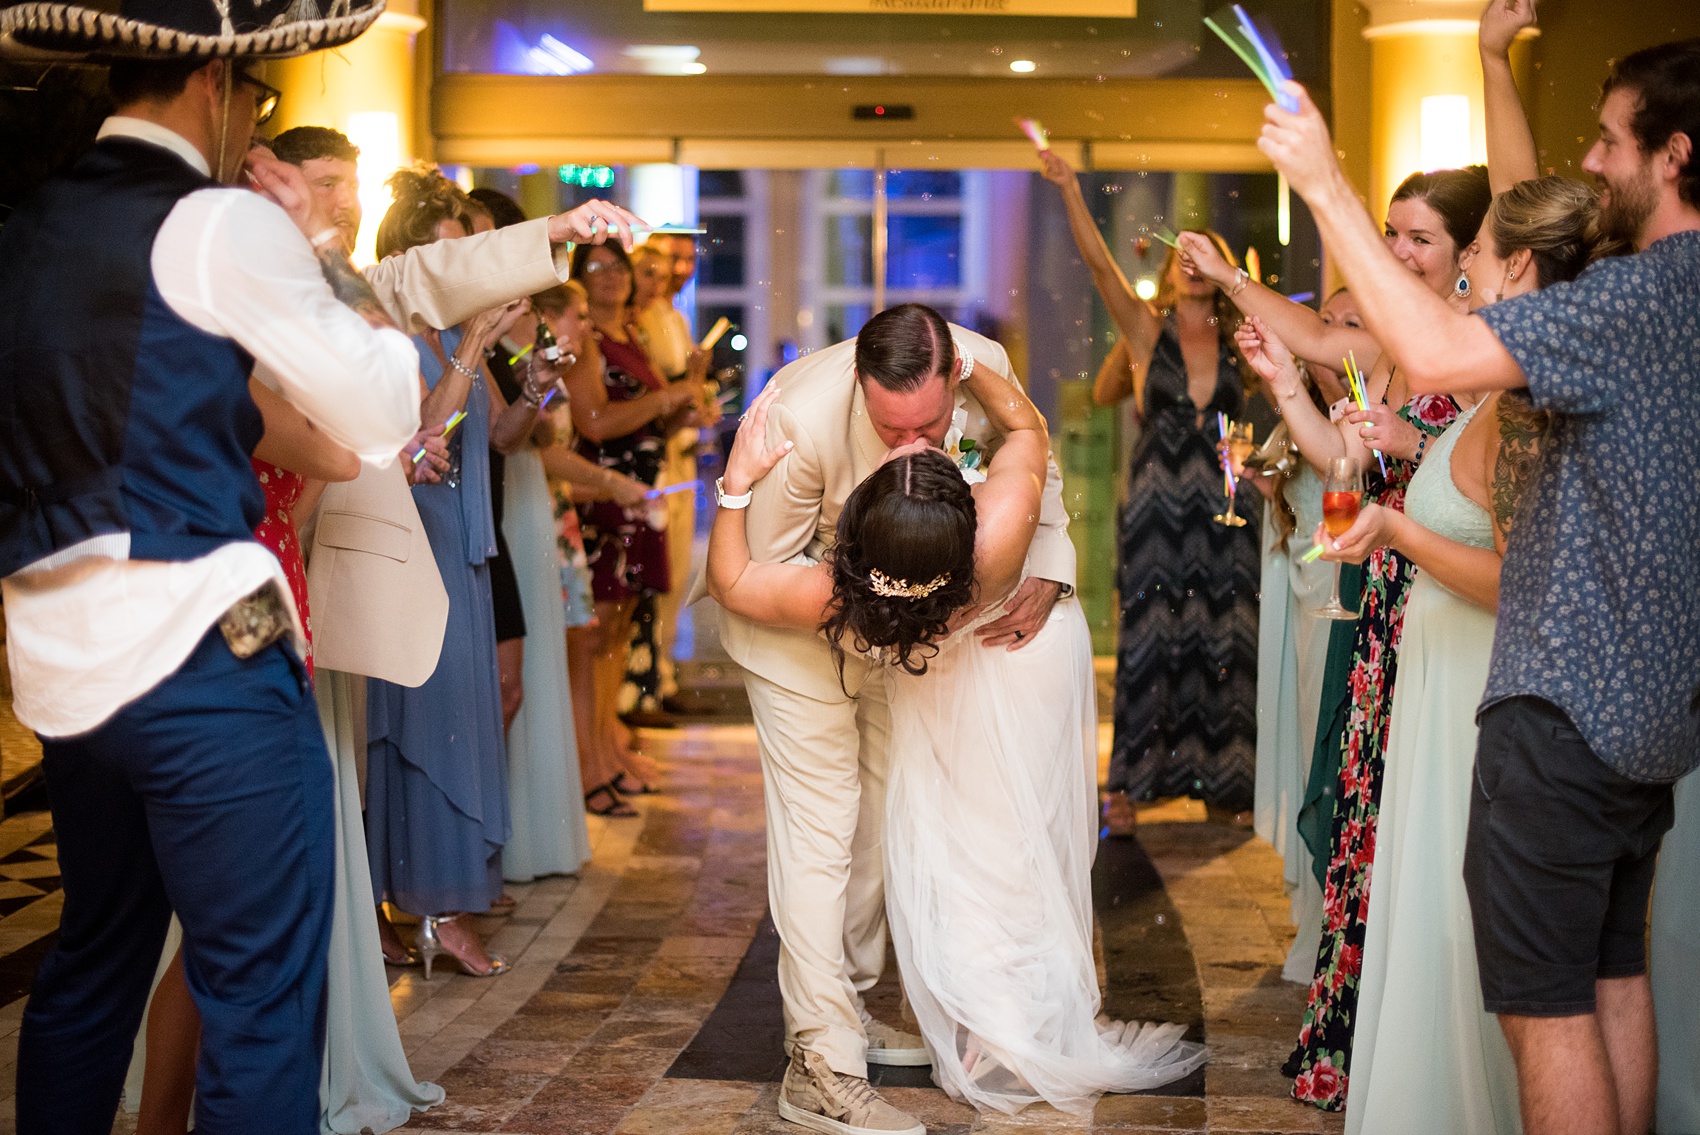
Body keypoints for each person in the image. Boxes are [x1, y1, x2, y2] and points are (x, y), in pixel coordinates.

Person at [1257, 31, 1700, 1135]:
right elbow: (1523, 206)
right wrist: (1495, 61)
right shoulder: (1665, 300)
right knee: (1610, 975)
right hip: (1650, 710)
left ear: (1674, 154)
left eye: (1608, 141)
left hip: (1560, 710)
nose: (1591, 162)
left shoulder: (1644, 297)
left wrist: (1320, 183)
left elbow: (1443, 352)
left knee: (1542, 1010)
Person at [0, 0, 420, 1125]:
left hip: (57, 660)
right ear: (215, 83)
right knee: (259, 996)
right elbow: (380, 411)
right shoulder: (209, 223)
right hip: (197, 654)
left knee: (90, 964)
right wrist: (317, 251)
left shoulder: (27, 223)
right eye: (263, 98)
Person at [708, 371, 1208, 1124]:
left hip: (953, 682)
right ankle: (1005, 1028)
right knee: (1010, 841)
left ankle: (986, 1024)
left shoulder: (845, 599)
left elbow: (734, 579)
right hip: (1021, 657)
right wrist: (970, 370)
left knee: (956, 846)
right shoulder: (996, 541)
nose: (907, 442)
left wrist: (736, 485)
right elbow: (1031, 434)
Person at [692, 303, 1077, 1135]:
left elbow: (1031, 444)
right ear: (859, 386)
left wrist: (1048, 558)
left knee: (877, 828)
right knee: (823, 834)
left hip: (893, 632)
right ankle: (819, 1058)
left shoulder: (982, 363)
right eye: (890, 424)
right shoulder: (795, 420)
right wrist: (741, 489)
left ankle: (852, 1004)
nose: (916, 444)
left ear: (955, 376)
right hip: (794, 627)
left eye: (933, 423)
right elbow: (751, 578)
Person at [1288, 173, 1603, 1135]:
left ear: (1517, 263)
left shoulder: (1524, 401)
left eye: (1471, 251)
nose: (1457, 266)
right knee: (1441, 917)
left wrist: (1395, 527)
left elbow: (1518, 578)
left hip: (1478, 693)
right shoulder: (1499, 389)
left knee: (1476, 935)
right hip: (1436, 690)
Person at [1188, 163, 1489, 1109]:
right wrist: (1286, 387)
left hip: (1450, 606)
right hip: (1386, 610)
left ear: (1471, 255)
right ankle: (1357, 1037)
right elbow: (1340, 457)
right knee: (1365, 826)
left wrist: (1413, 450)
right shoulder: (1393, 345)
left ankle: (1430, 1047)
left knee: (1428, 834)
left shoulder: (1484, 353)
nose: (1399, 253)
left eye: (1420, 239)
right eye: (1391, 233)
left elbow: (1478, 481)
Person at [363, 167, 561, 980]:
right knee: (417, 729)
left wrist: (537, 391)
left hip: (468, 545)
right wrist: (478, 341)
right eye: (450, 258)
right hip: (417, 543)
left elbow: (501, 437)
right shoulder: (392, 335)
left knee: (464, 722)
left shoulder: (453, 338)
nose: (465, 274)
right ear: (409, 263)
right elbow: (419, 432)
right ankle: (408, 907)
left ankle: (440, 903)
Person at [1036, 148, 1260, 825]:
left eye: (1205, 254)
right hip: (1160, 509)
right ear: (1167, 268)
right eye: (1181, 255)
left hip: (1227, 506)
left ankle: (1224, 782)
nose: (1191, 265)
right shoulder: (1145, 329)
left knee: (1226, 637)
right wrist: (1073, 189)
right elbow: (1102, 266)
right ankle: (1128, 787)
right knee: (1151, 637)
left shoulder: (1241, 339)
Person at [560, 239, 705, 808]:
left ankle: (606, 746)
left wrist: (682, 410)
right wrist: (667, 397)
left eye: (616, 265)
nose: (611, 276)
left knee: (619, 630)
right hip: (600, 493)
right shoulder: (584, 341)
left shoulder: (633, 334)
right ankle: (589, 763)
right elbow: (594, 423)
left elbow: (647, 425)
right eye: (595, 267)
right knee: (594, 635)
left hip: (639, 492)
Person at [1248, 288, 1358, 983]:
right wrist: (1267, 480)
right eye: (1327, 324)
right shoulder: (1298, 423)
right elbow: (1272, 495)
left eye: (1350, 326)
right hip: (1306, 611)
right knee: (1310, 745)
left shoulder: (1369, 420)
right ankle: (1316, 912)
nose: (1332, 339)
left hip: (1347, 611)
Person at [533, 282, 653, 816]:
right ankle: (579, 772)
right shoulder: (536, 374)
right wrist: (608, 484)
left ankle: (594, 760)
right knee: (576, 648)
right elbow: (542, 457)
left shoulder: (555, 374)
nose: (586, 326)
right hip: (554, 518)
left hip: (563, 519)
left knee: (588, 644)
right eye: (577, 316)